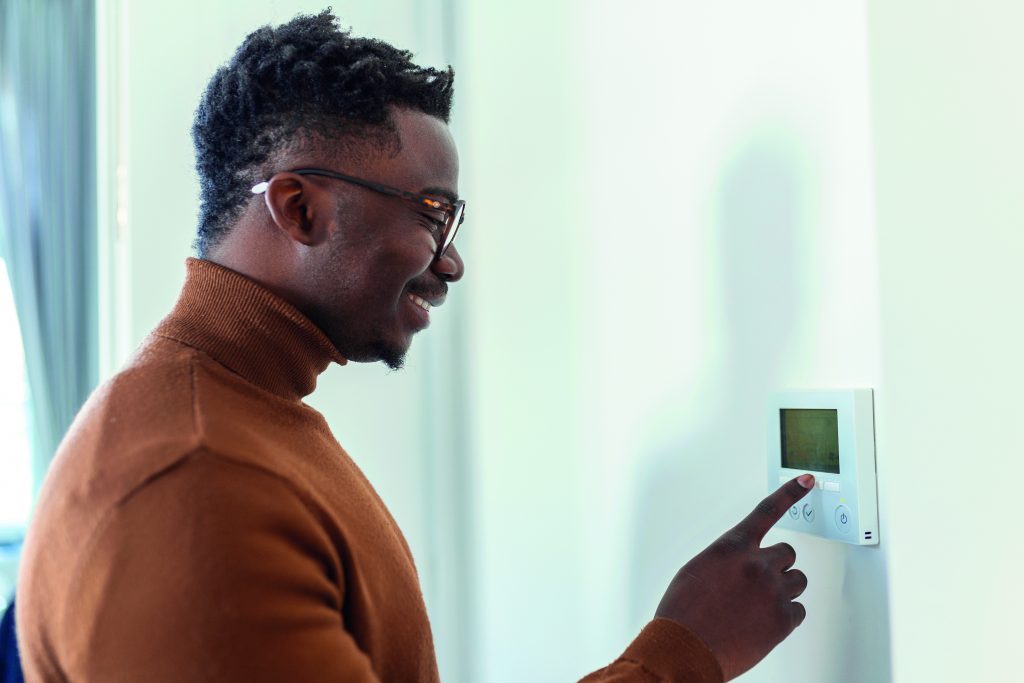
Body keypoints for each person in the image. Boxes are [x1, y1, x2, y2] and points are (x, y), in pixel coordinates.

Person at [16, 11, 813, 682]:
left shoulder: (239, 416)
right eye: (433, 213)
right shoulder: (197, 483)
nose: (452, 261)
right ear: (298, 209)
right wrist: (680, 655)